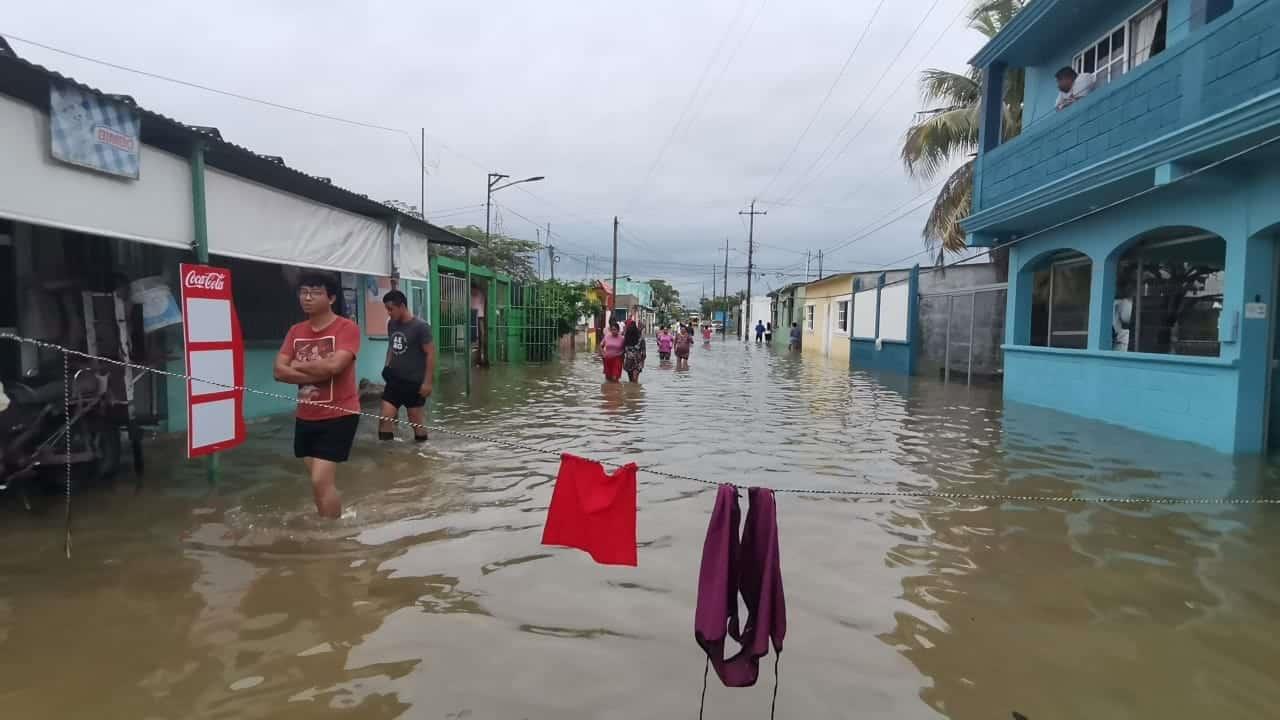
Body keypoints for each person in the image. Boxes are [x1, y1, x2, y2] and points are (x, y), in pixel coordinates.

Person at [274, 272, 361, 519]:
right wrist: (317, 370)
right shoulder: (295, 331)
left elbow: (335, 367)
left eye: (315, 292)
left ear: (331, 297)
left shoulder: (347, 328)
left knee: (320, 480)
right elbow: (278, 371)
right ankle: (332, 520)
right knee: (319, 483)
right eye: (303, 292)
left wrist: (297, 366)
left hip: (340, 414)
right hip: (306, 415)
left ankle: (331, 538)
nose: (307, 298)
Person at [378, 289, 434, 443]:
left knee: (415, 421)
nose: (389, 313)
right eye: (387, 309)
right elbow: (391, 346)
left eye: (391, 309)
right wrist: (387, 366)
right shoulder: (391, 324)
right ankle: (387, 455)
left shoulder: (421, 327)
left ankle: (420, 455)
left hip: (414, 382)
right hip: (394, 380)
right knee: (384, 418)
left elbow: (430, 354)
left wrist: (427, 383)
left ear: (402, 306)